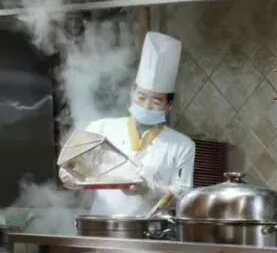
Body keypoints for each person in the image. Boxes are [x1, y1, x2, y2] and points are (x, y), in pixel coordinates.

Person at [61, 32, 196, 217]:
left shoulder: (183, 145)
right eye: (141, 97)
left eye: (156, 101)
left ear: (168, 106)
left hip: (151, 228)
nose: (146, 105)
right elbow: (72, 168)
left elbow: (185, 197)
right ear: (132, 93)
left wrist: (148, 189)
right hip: (101, 225)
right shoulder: (99, 128)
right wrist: (68, 175)